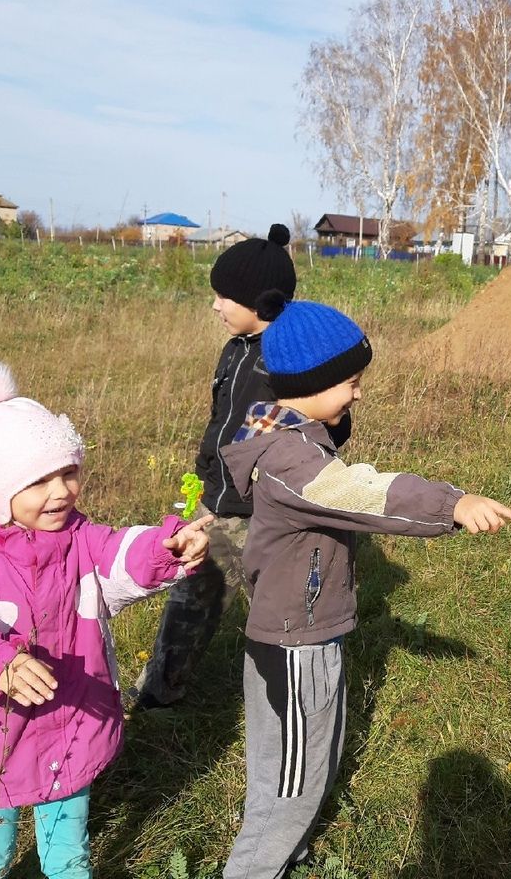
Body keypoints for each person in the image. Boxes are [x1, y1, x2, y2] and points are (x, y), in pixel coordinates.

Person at [217, 300, 511, 879]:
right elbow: (363, 491)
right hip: (298, 643)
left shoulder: (280, 433)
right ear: (311, 384)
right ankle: (258, 866)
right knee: (296, 783)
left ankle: (283, 852)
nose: (357, 395)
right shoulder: (293, 462)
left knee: (280, 765)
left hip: (286, 633)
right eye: (351, 383)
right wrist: (452, 503)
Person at [0, 356, 212, 879]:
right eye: (38, 481)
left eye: (68, 472)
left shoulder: (79, 536)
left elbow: (122, 552)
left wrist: (164, 548)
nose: (61, 491)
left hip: (70, 728)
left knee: (69, 856)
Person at [129, 223, 348, 710]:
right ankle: (157, 695)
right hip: (217, 503)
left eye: (225, 296)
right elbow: (220, 421)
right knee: (192, 597)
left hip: (269, 513)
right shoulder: (235, 350)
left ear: (261, 303)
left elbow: (329, 423)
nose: (215, 305)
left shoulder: (290, 359)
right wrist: (204, 477)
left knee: (278, 613)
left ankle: (287, 702)